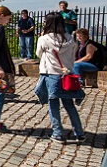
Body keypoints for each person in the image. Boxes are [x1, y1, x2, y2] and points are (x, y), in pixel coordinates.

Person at [35, 12, 85, 144]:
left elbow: (38, 54)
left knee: (53, 105)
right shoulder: (70, 38)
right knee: (69, 105)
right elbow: (73, 54)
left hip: (51, 74)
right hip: (67, 75)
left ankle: (57, 133)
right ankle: (79, 132)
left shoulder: (44, 39)